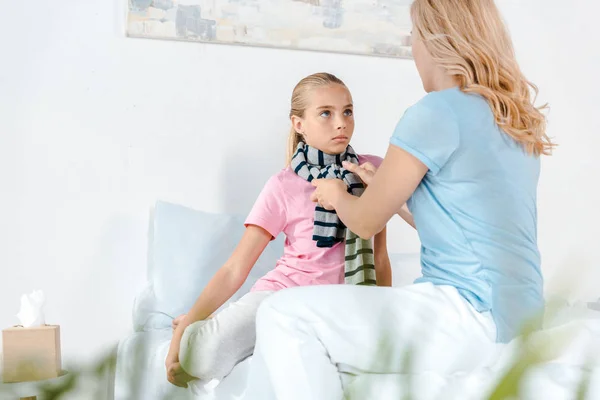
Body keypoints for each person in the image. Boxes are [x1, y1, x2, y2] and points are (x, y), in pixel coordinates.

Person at [243, 0, 555, 399]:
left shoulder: (435, 112)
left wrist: (339, 194)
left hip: (465, 314)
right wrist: (382, 187)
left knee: (282, 314)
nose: (413, 50)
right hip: (521, 320)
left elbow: (365, 223)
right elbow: (465, 226)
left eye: (414, 36)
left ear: (434, 38)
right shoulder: (512, 117)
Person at [165, 72, 391, 389]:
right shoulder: (283, 185)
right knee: (204, 358)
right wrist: (188, 322)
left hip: (341, 304)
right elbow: (235, 268)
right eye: (326, 113)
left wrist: (384, 315)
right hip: (282, 297)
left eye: (347, 111)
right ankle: (194, 328)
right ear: (299, 124)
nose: (340, 123)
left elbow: (379, 256)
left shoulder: (372, 170)